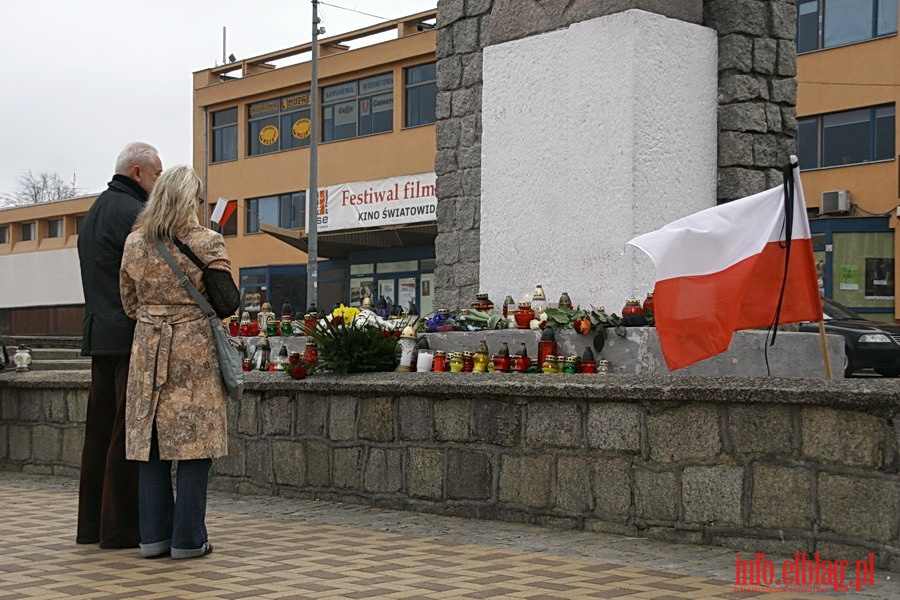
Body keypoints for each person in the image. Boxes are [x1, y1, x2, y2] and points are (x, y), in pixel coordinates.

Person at [119, 165, 231, 559]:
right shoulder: (208, 241)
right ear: (191, 199)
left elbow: (129, 303)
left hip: (148, 348)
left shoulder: (134, 243)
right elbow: (227, 302)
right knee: (194, 444)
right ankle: (188, 539)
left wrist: (157, 314)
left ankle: (153, 538)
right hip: (193, 351)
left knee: (149, 443)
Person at [76, 142, 163, 548]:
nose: (158, 182)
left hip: (99, 333)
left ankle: (91, 526)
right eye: (157, 174)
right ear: (137, 173)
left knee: (98, 434)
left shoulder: (95, 211)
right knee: (127, 433)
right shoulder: (135, 214)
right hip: (128, 336)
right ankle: (121, 529)